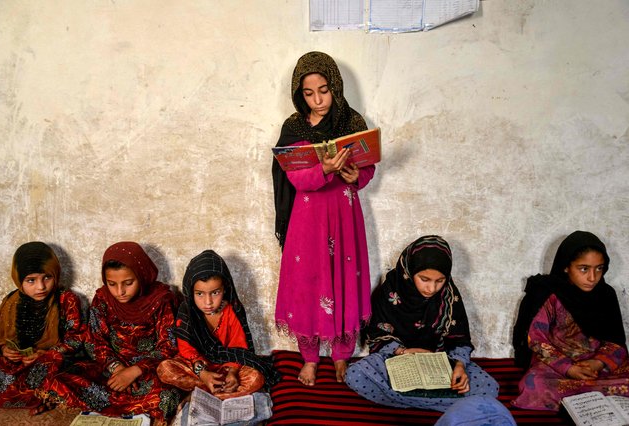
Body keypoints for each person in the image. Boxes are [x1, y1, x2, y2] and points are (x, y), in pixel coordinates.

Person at [272, 51, 375, 386]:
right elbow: (296, 178)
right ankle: (311, 359)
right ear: (298, 94)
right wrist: (324, 169)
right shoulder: (295, 127)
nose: (317, 100)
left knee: (345, 277)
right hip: (307, 219)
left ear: (336, 87)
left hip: (344, 214)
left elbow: (367, 169)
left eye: (324, 90)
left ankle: (342, 355)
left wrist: (353, 175)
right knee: (309, 282)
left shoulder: (352, 122)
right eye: (308, 93)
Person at [345, 235, 499, 410]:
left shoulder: (449, 296)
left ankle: (405, 399)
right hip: (397, 359)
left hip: (438, 362)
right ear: (409, 271)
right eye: (424, 279)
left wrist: (460, 366)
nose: (431, 288)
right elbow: (377, 332)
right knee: (355, 375)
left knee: (489, 387)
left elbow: (460, 339)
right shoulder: (389, 290)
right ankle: (443, 402)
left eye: (440, 281)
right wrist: (403, 351)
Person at [36, 241, 181, 424]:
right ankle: (127, 405)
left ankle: (119, 405)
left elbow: (169, 346)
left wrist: (134, 372)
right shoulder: (103, 299)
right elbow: (94, 341)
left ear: (142, 275)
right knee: (60, 377)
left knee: (167, 395)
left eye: (128, 283)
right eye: (112, 284)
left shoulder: (161, 300)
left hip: (147, 371)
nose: (120, 292)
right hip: (110, 369)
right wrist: (118, 369)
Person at [511, 230, 629, 411]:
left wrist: (597, 362)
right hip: (556, 364)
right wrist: (569, 368)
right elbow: (536, 340)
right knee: (535, 385)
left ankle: (583, 397)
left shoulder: (606, 295)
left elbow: (616, 342)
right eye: (584, 269)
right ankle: (596, 397)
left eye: (599, 268)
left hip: (596, 364)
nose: (592, 277)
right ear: (566, 266)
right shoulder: (547, 293)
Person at [157, 249, 279, 399]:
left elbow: (239, 347)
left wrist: (233, 372)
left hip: (227, 365)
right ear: (190, 291)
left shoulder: (231, 310)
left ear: (225, 289)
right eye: (200, 294)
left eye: (215, 293)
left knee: (256, 378)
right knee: (165, 369)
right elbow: (187, 350)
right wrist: (203, 374)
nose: (208, 302)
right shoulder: (187, 312)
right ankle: (219, 391)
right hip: (197, 366)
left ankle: (205, 392)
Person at [0, 241, 85, 413]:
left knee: (63, 372)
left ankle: (38, 394)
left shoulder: (66, 300)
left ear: (55, 273)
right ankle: (39, 395)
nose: (40, 287)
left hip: (51, 361)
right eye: (31, 280)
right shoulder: (11, 301)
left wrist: (47, 353)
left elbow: (76, 340)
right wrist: (4, 349)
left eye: (47, 277)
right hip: (18, 364)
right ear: (19, 279)